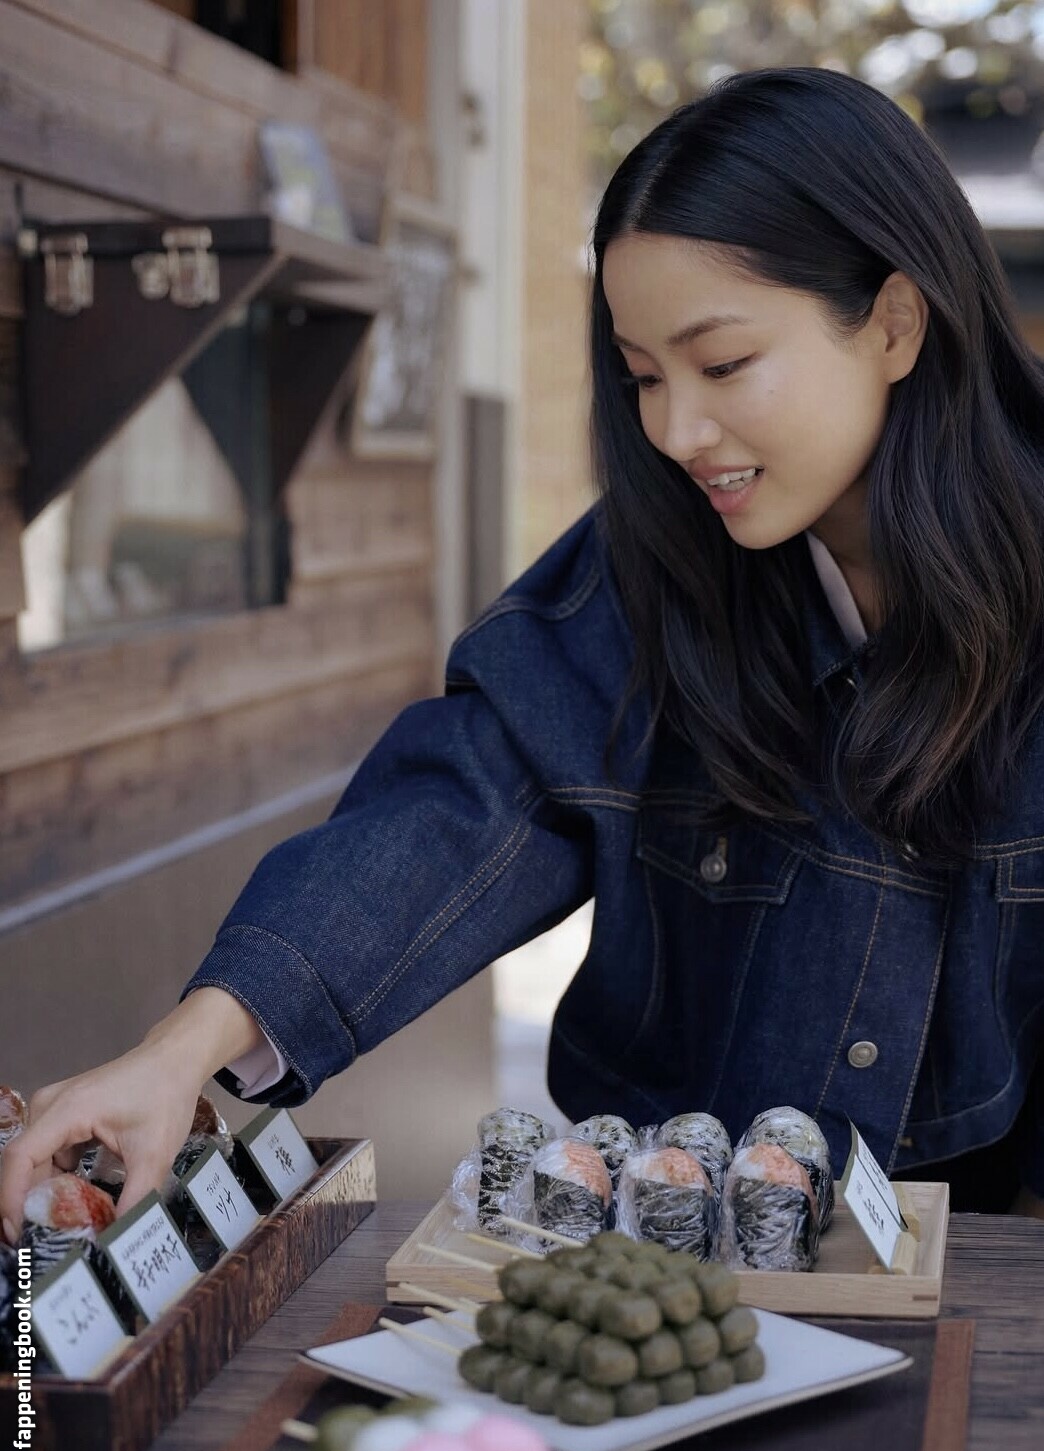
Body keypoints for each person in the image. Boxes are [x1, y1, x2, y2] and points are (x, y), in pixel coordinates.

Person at [4, 65, 1044, 1244]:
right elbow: (465, 801)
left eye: (722, 364)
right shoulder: (657, 560)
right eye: (643, 376)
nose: (676, 430)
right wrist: (184, 1045)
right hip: (674, 1263)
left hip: (995, 1261)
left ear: (896, 323)